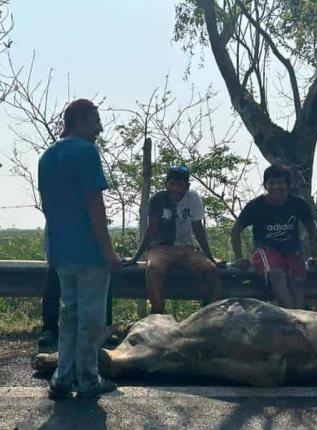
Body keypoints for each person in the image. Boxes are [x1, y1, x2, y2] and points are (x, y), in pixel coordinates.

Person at [38, 98, 121, 399]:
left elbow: (48, 207)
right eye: (95, 121)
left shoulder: (47, 156)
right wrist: (109, 251)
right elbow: (93, 204)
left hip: (60, 251)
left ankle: (63, 377)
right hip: (89, 252)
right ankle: (87, 378)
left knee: (68, 314)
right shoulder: (87, 152)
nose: (99, 128)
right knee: (91, 317)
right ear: (81, 121)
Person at [125, 166, 221, 314]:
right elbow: (152, 229)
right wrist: (136, 257)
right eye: (172, 184)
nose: (175, 189)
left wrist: (209, 256)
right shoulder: (158, 199)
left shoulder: (193, 198)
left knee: (211, 270)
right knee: (153, 269)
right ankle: (158, 313)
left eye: (180, 184)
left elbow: (198, 228)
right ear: (166, 184)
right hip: (161, 248)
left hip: (186, 248)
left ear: (187, 186)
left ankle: (209, 313)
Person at [230, 165, 317, 309]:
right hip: (266, 249)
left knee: (298, 280)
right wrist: (239, 257)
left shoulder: (298, 204)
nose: (276, 187)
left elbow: (312, 229)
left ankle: (300, 315)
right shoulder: (255, 206)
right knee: (276, 274)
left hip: (292, 249)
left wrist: (314, 255)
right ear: (265, 186)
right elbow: (236, 231)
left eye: (281, 182)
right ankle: (292, 316)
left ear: (287, 184)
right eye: (272, 183)